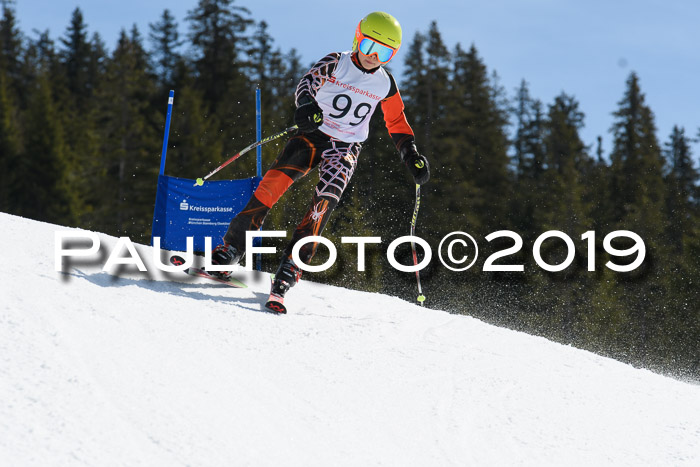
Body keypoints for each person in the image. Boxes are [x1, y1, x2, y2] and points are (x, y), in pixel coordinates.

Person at [211, 11, 430, 300]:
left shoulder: (385, 84)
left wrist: (410, 153)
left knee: (324, 201)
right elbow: (307, 83)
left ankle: (291, 267)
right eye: (368, 46)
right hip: (312, 135)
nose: (373, 56)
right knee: (271, 186)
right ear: (357, 38)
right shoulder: (336, 62)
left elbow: (396, 121)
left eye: (384, 52)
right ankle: (232, 248)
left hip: (346, 147)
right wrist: (306, 106)